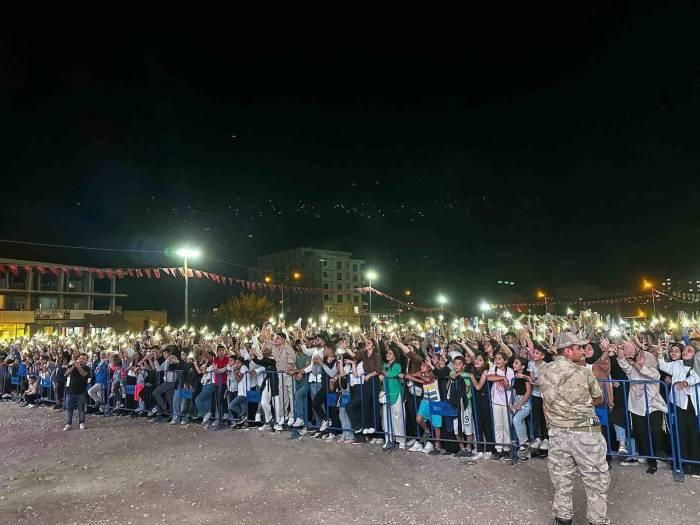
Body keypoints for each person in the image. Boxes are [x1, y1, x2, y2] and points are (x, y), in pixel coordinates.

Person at [538, 332, 609, 525]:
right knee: (595, 480)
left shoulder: (543, 371)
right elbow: (598, 398)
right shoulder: (584, 372)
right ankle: (597, 520)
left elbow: (546, 399)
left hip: (558, 433)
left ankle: (563, 519)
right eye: (578, 348)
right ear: (568, 351)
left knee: (562, 481)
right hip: (585, 434)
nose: (582, 351)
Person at [63, 352, 90, 431]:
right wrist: (73, 367)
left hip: (81, 392)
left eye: (84, 359)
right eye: (81, 358)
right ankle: (68, 424)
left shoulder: (87, 368)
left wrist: (78, 367)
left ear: (86, 360)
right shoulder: (72, 366)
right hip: (70, 391)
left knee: (81, 408)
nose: (81, 360)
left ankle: (81, 422)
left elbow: (84, 374)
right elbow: (66, 374)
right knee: (69, 408)